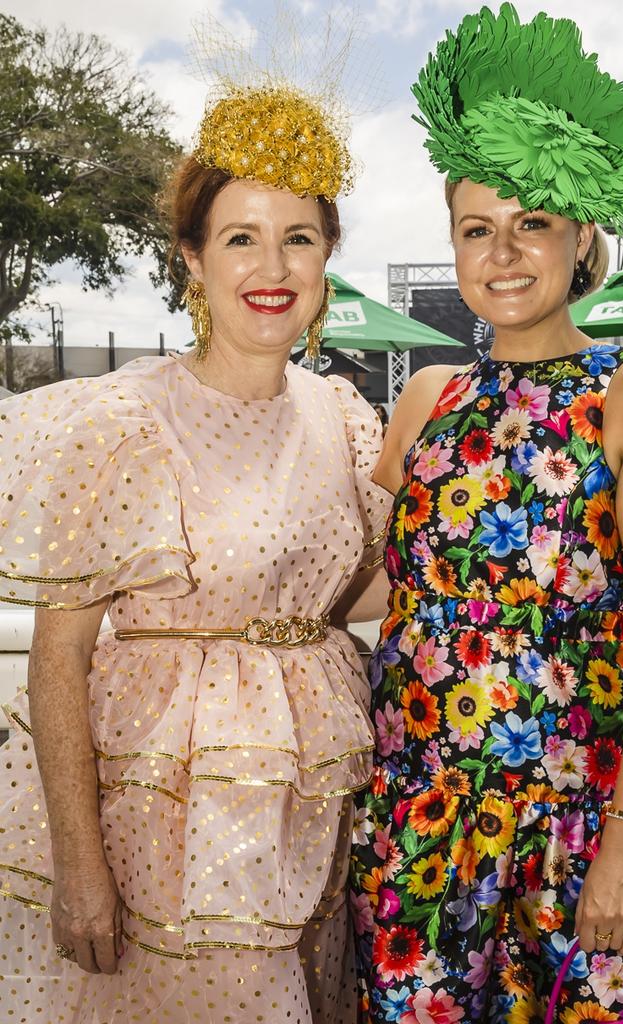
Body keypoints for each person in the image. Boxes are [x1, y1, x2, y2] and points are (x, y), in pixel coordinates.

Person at [350, 6, 623, 1023]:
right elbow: (365, 585)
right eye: (478, 228)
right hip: (423, 839)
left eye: (532, 223)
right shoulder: (426, 399)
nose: (503, 253)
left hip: (579, 838)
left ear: (580, 233)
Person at [0, 65, 390, 1024]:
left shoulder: (344, 417)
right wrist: (82, 869)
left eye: (298, 238)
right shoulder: (122, 421)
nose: (273, 268)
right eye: (241, 238)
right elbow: (58, 661)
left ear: (327, 256)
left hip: (308, 815)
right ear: (191, 259)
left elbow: (359, 597)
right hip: (159, 834)